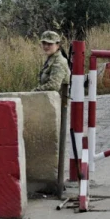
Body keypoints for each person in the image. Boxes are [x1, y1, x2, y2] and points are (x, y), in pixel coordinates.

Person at [34, 31, 72, 192]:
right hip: (51, 106)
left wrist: (34, 91)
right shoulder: (51, 59)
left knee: (54, 144)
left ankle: (55, 183)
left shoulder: (59, 61)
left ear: (58, 45)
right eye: (44, 43)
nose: (46, 46)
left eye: (49, 44)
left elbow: (54, 85)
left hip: (57, 106)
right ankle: (52, 182)